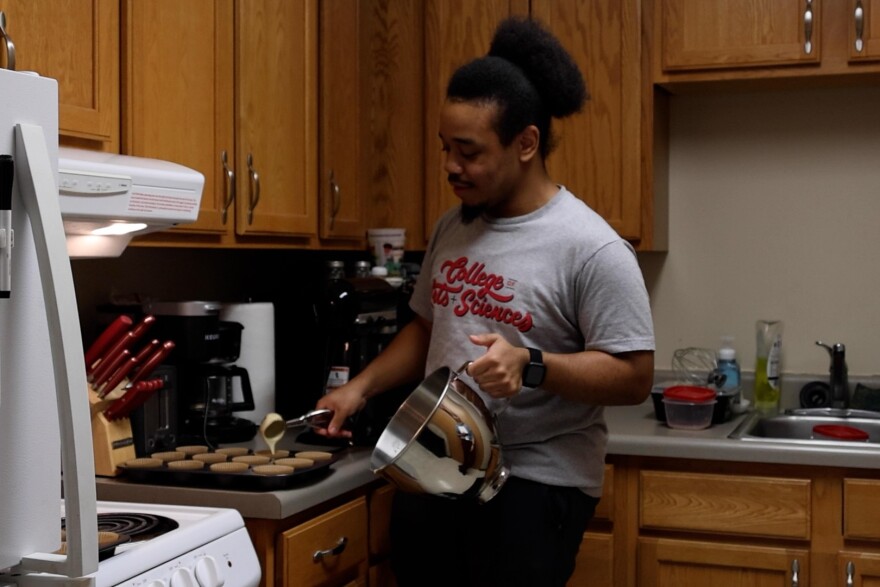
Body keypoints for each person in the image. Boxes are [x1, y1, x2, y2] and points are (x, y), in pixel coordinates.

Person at [316, 15, 654, 587]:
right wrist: (360, 387)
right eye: (446, 148)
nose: (451, 165)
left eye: (468, 152)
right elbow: (427, 326)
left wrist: (531, 364)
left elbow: (634, 375)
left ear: (526, 143)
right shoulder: (454, 225)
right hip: (434, 465)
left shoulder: (590, 246)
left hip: (536, 484)